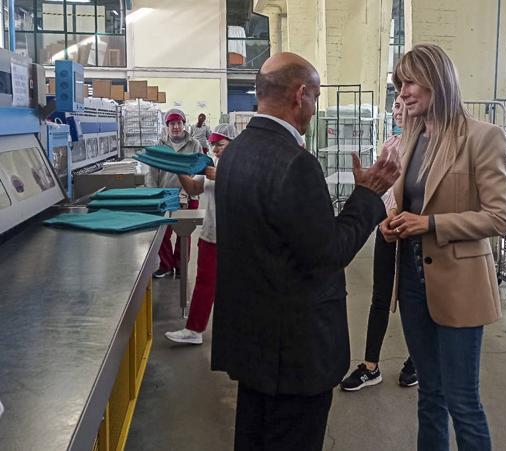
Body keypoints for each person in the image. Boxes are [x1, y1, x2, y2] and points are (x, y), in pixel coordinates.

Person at [212, 52, 400, 451]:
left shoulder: (236, 152)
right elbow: (329, 252)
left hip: (253, 342)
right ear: (301, 95)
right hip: (293, 352)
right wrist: (368, 196)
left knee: (254, 435)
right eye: (315, 97)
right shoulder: (295, 163)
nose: (314, 108)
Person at [384, 44, 506, 450]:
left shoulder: (483, 137)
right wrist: (390, 221)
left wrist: (431, 224)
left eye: (410, 81)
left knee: (462, 401)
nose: (402, 92)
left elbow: (499, 217)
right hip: (411, 282)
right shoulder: (409, 137)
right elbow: (401, 198)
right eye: (398, 84)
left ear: (438, 80)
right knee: (430, 396)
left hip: (460, 285)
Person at [340, 96, 417, 391]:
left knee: (413, 299)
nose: (398, 110)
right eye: (396, 105)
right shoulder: (390, 145)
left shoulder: (430, 148)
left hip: (416, 233)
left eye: (405, 104)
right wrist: (381, 219)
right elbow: (383, 190)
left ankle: (417, 358)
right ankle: (371, 366)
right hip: (387, 228)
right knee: (380, 297)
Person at [164, 124, 238, 345]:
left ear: (233, 144)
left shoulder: (239, 167)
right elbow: (194, 189)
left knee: (236, 286)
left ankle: (238, 332)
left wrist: (221, 175)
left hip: (233, 236)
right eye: (213, 144)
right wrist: (178, 170)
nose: (215, 149)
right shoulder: (212, 165)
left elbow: (245, 188)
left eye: (220, 145)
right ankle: (194, 329)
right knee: (204, 282)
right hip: (211, 233)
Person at [147, 108, 203, 278]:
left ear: (184, 124)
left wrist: (190, 189)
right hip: (165, 195)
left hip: (188, 195)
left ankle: (180, 265)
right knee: (162, 233)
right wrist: (153, 195)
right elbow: (152, 172)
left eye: (179, 123)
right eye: (172, 124)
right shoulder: (159, 146)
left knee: (184, 233)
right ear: (167, 126)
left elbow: (200, 169)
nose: (176, 127)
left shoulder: (194, 145)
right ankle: (165, 265)